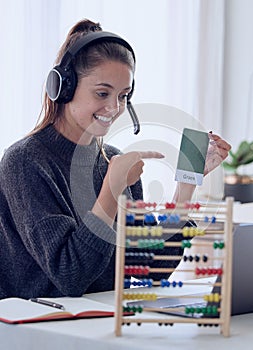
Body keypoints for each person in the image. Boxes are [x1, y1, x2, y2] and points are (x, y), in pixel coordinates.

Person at [0, 19, 231, 299]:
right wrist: (112, 188)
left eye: (123, 95)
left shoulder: (115, 160)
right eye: (102, 93)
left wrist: (187, 182)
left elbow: (149, 267)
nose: (114, 107)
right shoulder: (24, 162)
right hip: (39, 328)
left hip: (101, 324)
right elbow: (70, 276)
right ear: (64, 88)